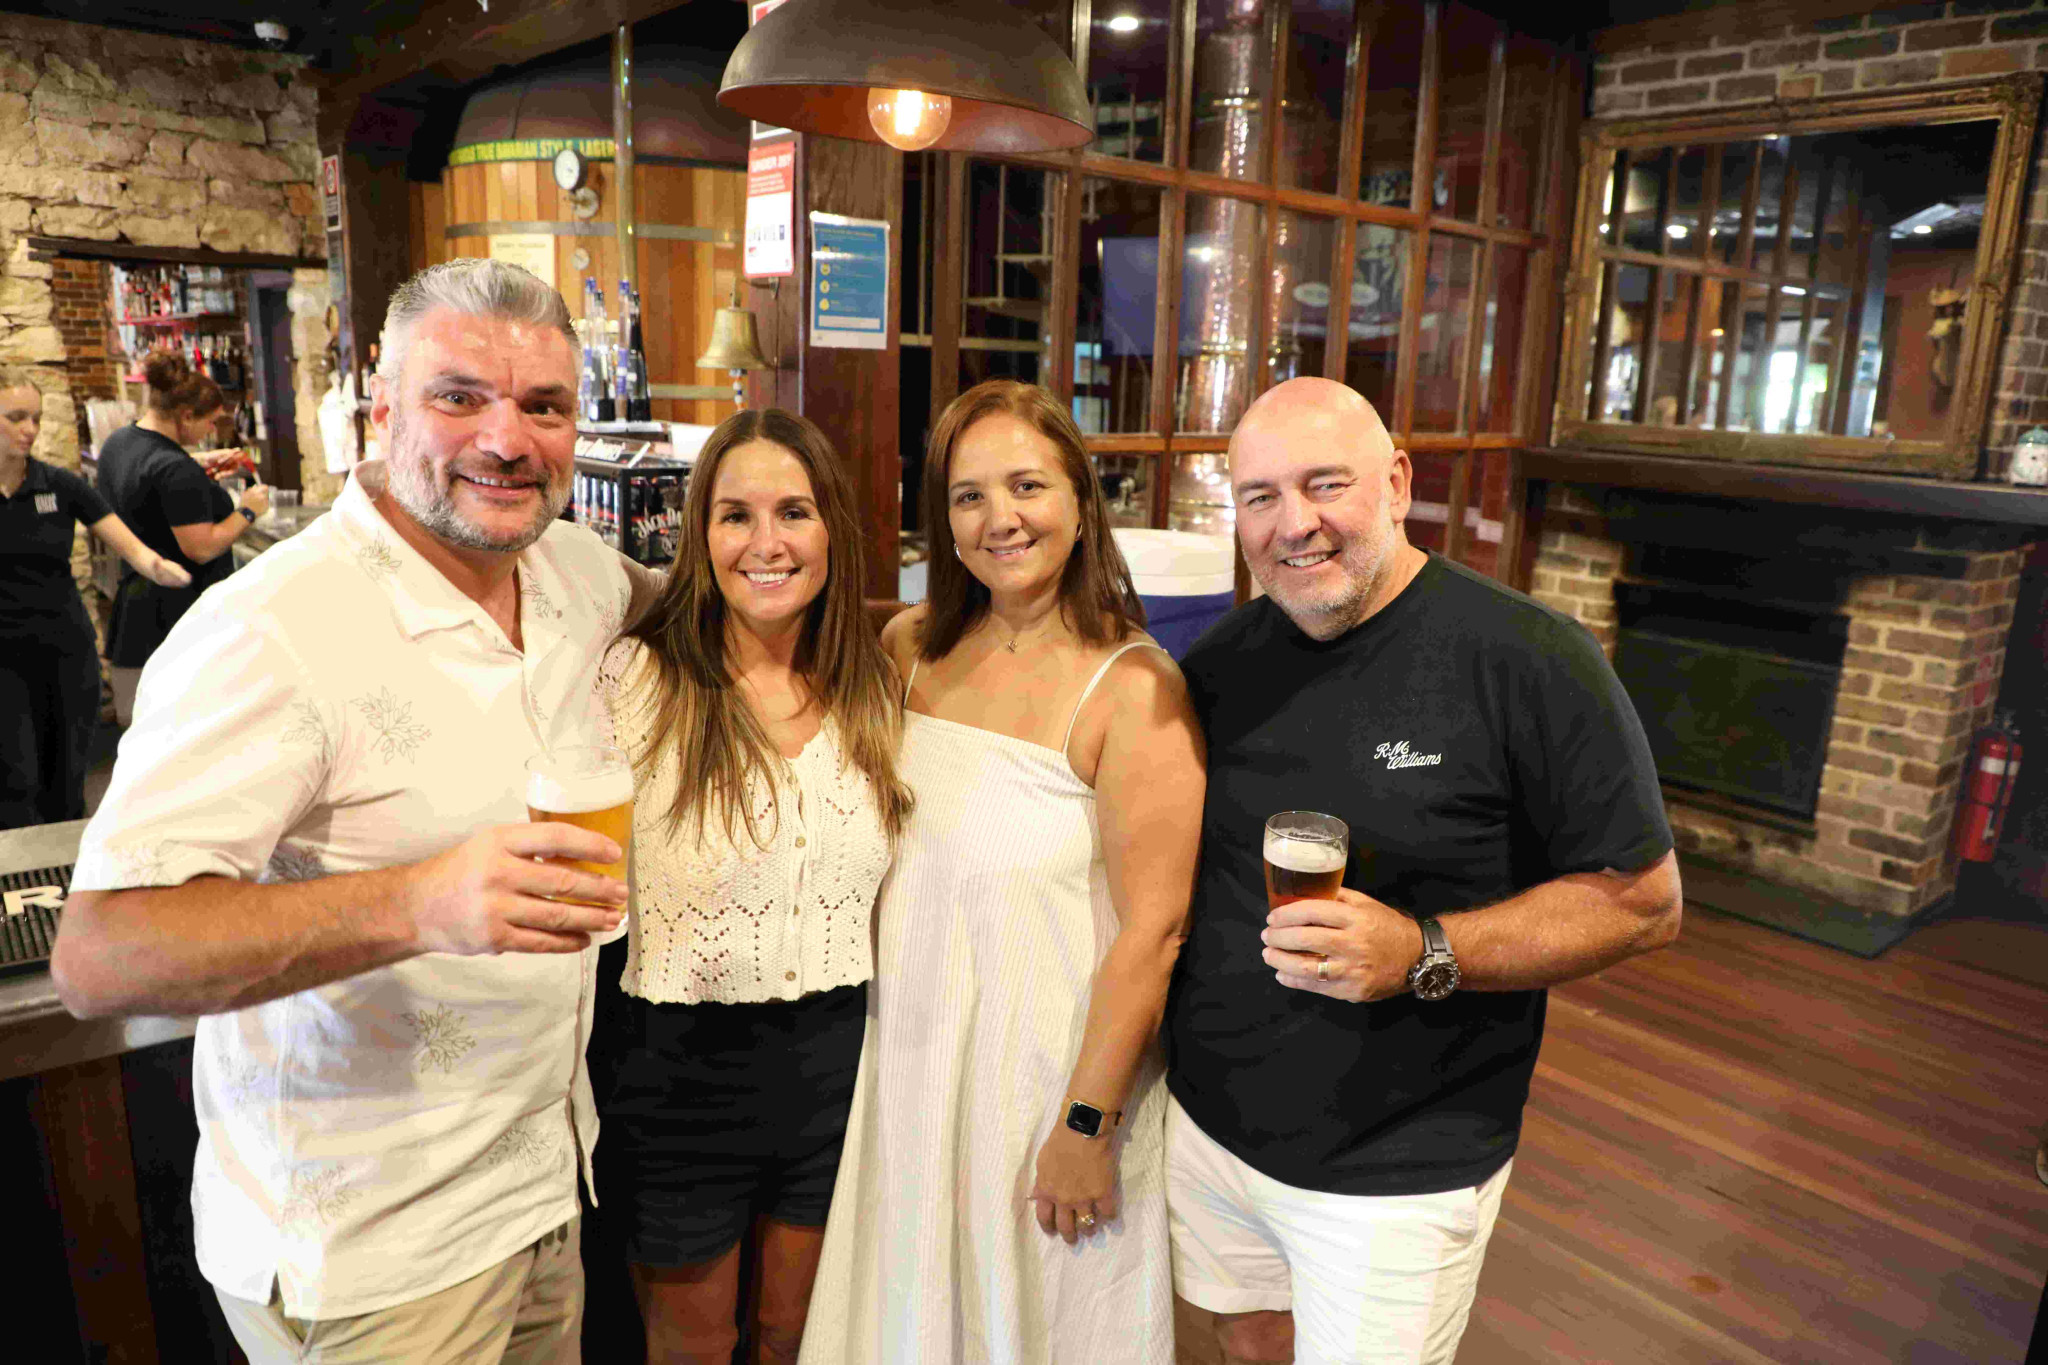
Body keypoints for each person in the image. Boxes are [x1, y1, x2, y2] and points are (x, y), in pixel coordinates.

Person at [52, 258, 665, 1364]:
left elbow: (717, 613)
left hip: (540, 1195)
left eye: (543, 407)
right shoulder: (273, 630)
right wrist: (420, 903)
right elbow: (102, 956)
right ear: (380, 408)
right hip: (367, 1260)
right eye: (459, 397)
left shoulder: (573, 571)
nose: (507, 440)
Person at [1164, 377, 1682, 1365]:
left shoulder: (1531, 659)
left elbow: (1644, 903)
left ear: (1397, 483)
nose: (1294, 524)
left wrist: (1422, 950)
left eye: (1326, 484)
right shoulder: (1221, 663)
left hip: (1398, 1166)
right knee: (1248, 1342)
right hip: (1208, 1130)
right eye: (1261, 496)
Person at [801, 380, 1205, 1364]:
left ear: (1079, 500)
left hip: (1045, 1077)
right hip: (912, 1061)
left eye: (1027, 485)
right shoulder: (907, 648)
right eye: (969, 495)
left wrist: (1086, 1125)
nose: (1000, 518)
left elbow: (1155, 932)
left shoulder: (1133, 687)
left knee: (1035, 1323)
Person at [589, 407, 911, 1364]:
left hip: (837, 1066)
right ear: (700, 534)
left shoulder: (876, 684)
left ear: (831, 530)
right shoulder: (638, 680)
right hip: (678, 1073)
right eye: (736, 515)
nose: (766, 543)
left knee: (792, 1337)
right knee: (691, 1345)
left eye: (794, 512)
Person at [0, 365, 190, 829]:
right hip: (4, 658)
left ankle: (66, 867)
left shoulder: (57, 485)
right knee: (15, 779)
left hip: (64, 650)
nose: (30, 429)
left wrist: (159, 569)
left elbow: (131, 546)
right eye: (16, 417)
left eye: (36, 418)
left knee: (66, 777)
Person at [95, 348, 270, 726]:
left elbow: (147, 484)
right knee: (185, 725)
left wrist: (198, 467)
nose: (212, 431)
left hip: (134, 600)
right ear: (186, 415)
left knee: (143, 727)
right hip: (176, 614)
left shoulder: (119, 442)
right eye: (210, 422)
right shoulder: (174, 469)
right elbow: (202, 547)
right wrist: (248, 510)